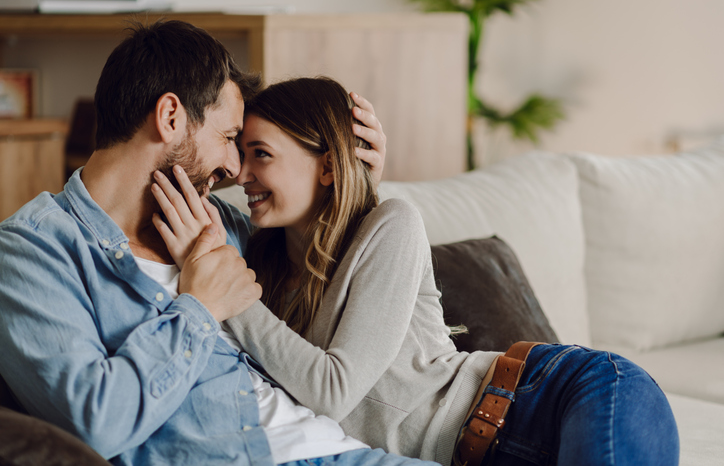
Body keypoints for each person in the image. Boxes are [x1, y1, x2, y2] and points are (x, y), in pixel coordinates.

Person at [154, 77, 680, 466]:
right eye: (239, 153)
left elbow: (334, 390)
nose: (240, 174)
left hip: (558, 397)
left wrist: (227, 289)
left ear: (330, 165)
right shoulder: (262, 270)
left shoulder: (390, 225)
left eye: (260, 154)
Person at [0, 20, 440, 466]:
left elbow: (330, 272)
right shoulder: (33, 252)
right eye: (229, 138)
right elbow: (95, 423)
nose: (235, 168)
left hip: (346, 449)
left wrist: (352, 178)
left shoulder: (223, 222)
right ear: (170, 116)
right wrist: (200, 307)